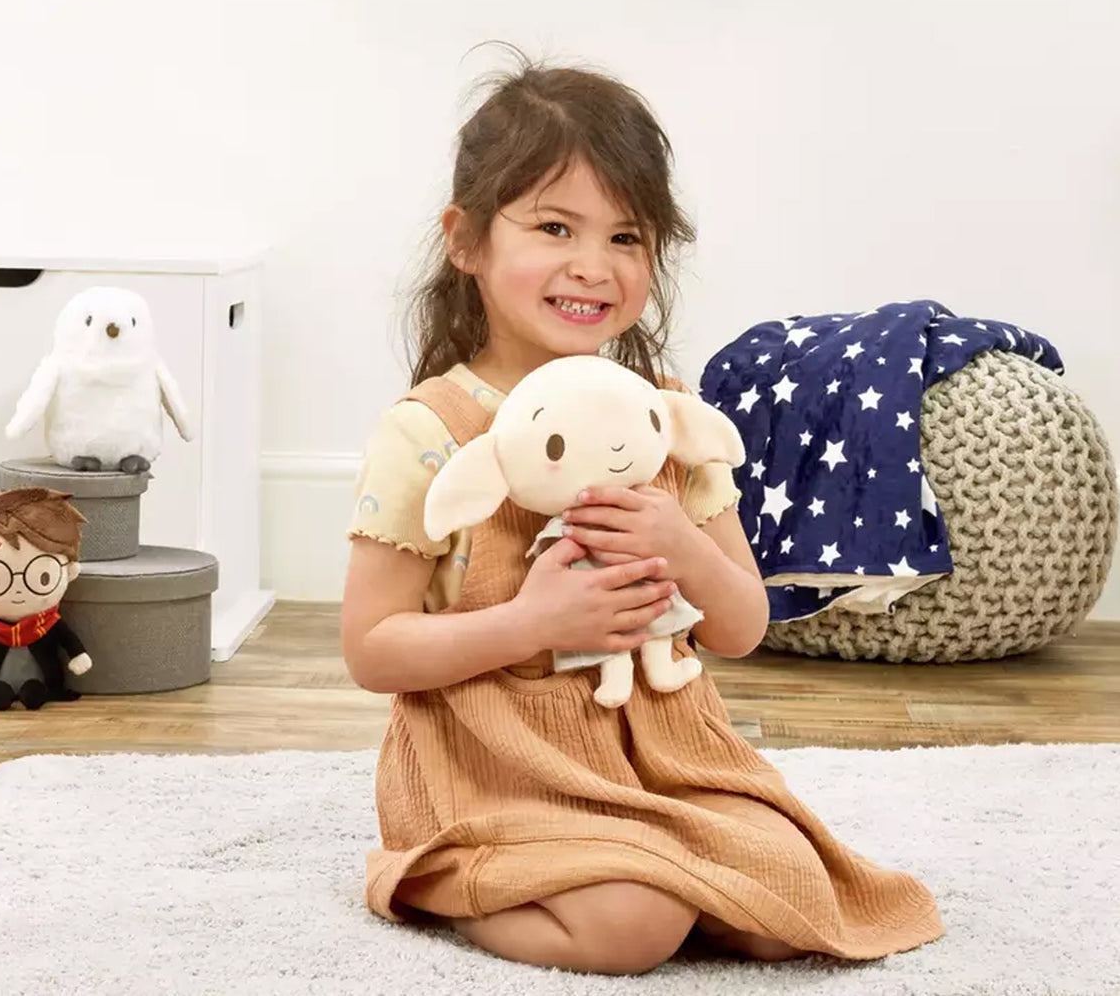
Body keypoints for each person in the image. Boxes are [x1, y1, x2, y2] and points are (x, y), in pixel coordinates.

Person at [340, 54, 943, 976]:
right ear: (465, 241)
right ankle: (441, 879)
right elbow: (372, 647)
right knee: (631, 928)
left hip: (665, 753)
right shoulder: (432, 432)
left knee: (795, 902)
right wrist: (529, 623)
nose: (594, 266)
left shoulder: (666, 416)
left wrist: (682, 550)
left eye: (627, 237)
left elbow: (740, 627)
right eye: (554, 226)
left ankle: (663, 866)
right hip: (500, 767)